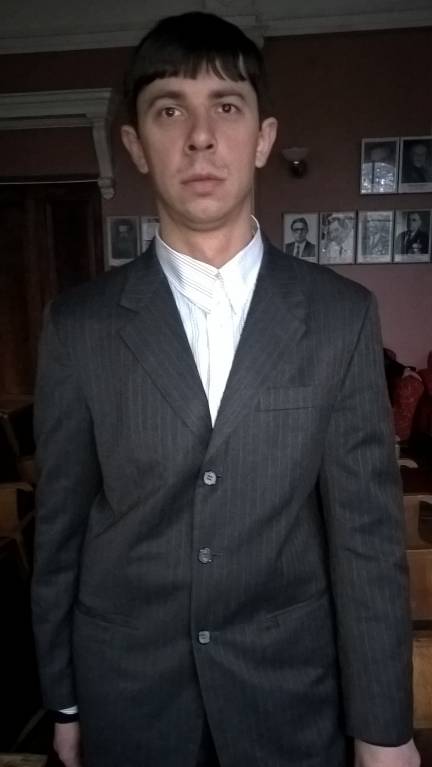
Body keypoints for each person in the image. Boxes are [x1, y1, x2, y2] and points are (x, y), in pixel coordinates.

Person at [32, 11, 419, 767]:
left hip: (291, 701)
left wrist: (384, 727)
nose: (201, 137)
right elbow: (61, 530)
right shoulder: (77, 327)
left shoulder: (340, 316)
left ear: (264, 138)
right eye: (170, 110)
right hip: (128, 700)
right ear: (135, 145)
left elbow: (367, 540)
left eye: (227, 107)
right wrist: (63, 699)